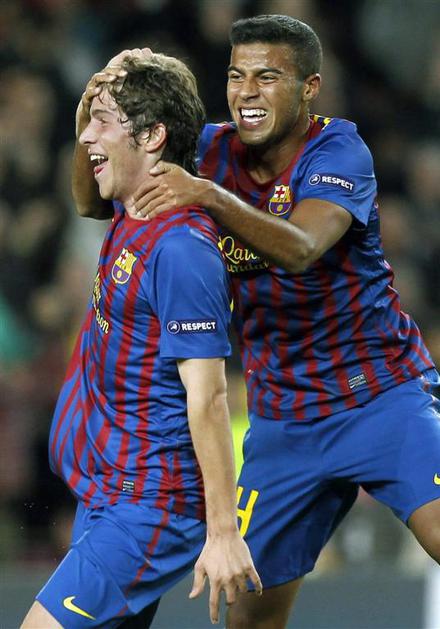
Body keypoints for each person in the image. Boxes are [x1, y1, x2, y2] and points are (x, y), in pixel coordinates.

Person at [74, 16, 440, 629]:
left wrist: (208, 195)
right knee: (246, 617)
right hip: (283, 422)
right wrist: (91, 113)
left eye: (267, 77)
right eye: (236, 76)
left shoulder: (339, 150)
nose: (246, 92)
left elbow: (301, 248)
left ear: (309, 87)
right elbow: (91, 201)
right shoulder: (208, 150)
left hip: (378, 398)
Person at [21, 51, 261, 629]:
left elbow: (209, 396)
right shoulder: (133, 205)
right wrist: (89, 105)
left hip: (149, 504)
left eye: (103, 121)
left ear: (153, 137)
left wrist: (224, 532)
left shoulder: (180, 249)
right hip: (109, 490)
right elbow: (85, 199)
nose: (86, 135)